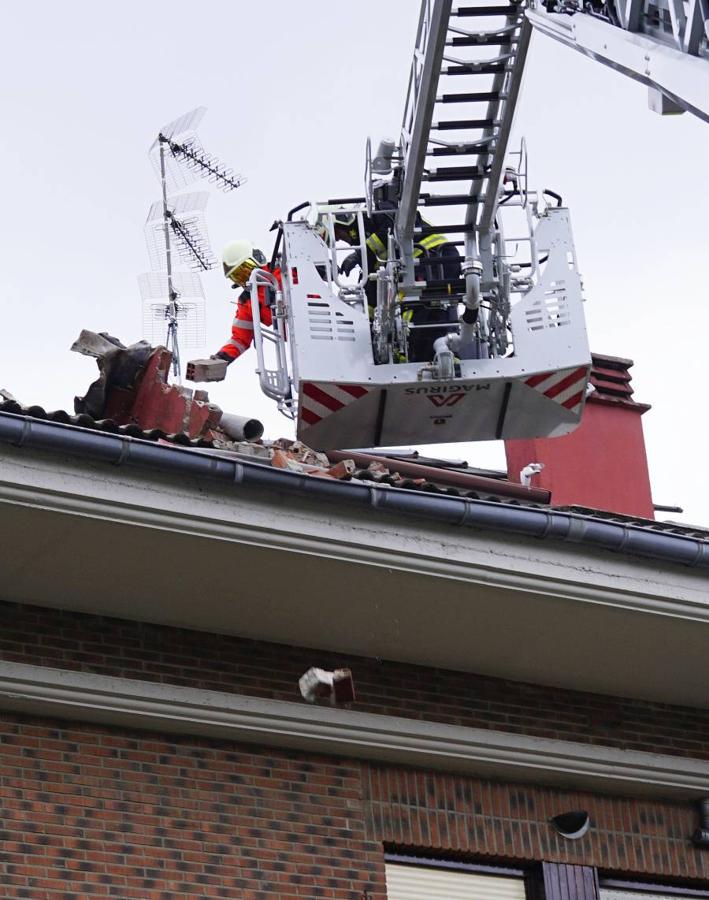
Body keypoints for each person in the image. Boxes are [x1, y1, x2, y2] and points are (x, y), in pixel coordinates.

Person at [320, 210, 461, 362]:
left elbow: (395, 226)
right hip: (426, 263)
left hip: (434, 256)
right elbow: (373, 291)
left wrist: (361, 254)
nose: (345, 240)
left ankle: (442, 354)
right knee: (432, 306)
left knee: (423, 306)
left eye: (339, 233)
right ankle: (429, 356)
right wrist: (366, 323)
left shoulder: (379, 213)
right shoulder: (378, 260)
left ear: (343, 219)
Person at [212, 239, 281, 366]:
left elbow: (319, 270)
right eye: (238, 277)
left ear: (257, 260)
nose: (246, 279)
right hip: (299, 342)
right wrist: (220, 360)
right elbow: (240, 339)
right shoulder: (248, 302)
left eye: (246, 270)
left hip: (322, 322)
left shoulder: (284, 272)